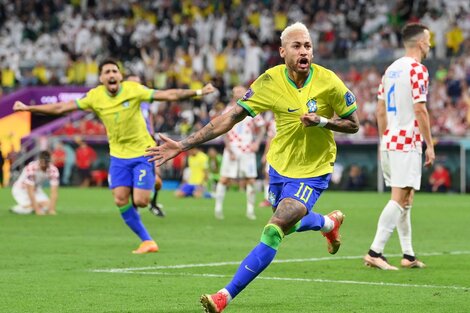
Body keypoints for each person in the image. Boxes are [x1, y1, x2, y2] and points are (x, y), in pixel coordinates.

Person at [146, 22, 359, 312]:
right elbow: (231, 116)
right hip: (280, 168)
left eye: (307, 45)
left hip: (314, 170)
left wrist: (322, 121)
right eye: (296, 46)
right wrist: (184, 144)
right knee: (289, 223)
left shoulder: (329, 81)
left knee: (274, 229)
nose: (304, 51)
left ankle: (224, 296)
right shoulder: (269, 81)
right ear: (283, 52)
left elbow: (353, 124)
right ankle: (328, 224)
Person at [13, 58, 215, 254]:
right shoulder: (95, 96)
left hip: (142, 152)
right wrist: (29, 108)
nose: (111, 75)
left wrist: (198, 92)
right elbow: (60, 107)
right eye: (106, 72)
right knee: (120, 199)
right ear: (101, 78)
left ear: (120, 76)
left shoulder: (133, 90)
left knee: (142, 201)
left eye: (114, 71)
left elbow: (168, 95)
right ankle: (147, 241)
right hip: (118, 156)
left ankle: (150, 185)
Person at [364, 23, 435, 270]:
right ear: (419, 43)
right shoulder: (418, 70)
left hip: (390, 141)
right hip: (407, 142)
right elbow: (420, 109)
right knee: (399, 197)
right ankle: (375, 251)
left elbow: (380, 109)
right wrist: (430, 144)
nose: (430, 44)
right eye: (428, 40)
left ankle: (408, 254)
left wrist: (386, 137)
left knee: (407, 198)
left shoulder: (391, 69)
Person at [214, 85, 266, 220]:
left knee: (250, 180)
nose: (238, 93)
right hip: (231, 149)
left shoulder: (252, 108)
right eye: (235, 91)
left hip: (247, 150)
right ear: (233, 94)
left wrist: (257, 143)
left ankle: (250, 210)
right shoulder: (227, 110)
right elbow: (222, 130)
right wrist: (228, 148)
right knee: (225, 179)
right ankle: (218, 208)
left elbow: (262, 128)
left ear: (245, 92)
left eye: (240, 91)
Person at [127, 74, 164, 217]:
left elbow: (149, 118)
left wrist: (153, 136)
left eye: (138, 83)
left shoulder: (145, 100)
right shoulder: (123, 102)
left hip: (148, 142)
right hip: (132, 143)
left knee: (158, 180)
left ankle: (153, 203)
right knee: (131, 177)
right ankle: (134, 208)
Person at [10, 151, 59, 215]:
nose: (43, 164)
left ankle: (33, 206)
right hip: (21, 189)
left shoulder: (53, 170)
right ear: (39, 160)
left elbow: (54, 192)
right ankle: (17, 208)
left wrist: (51, 210)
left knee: (47, 206)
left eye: (46, 162)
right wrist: (37, 210)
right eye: (42, 162)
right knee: (30, 209)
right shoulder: (31, 167)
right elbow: (30, 191)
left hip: (36, 189)